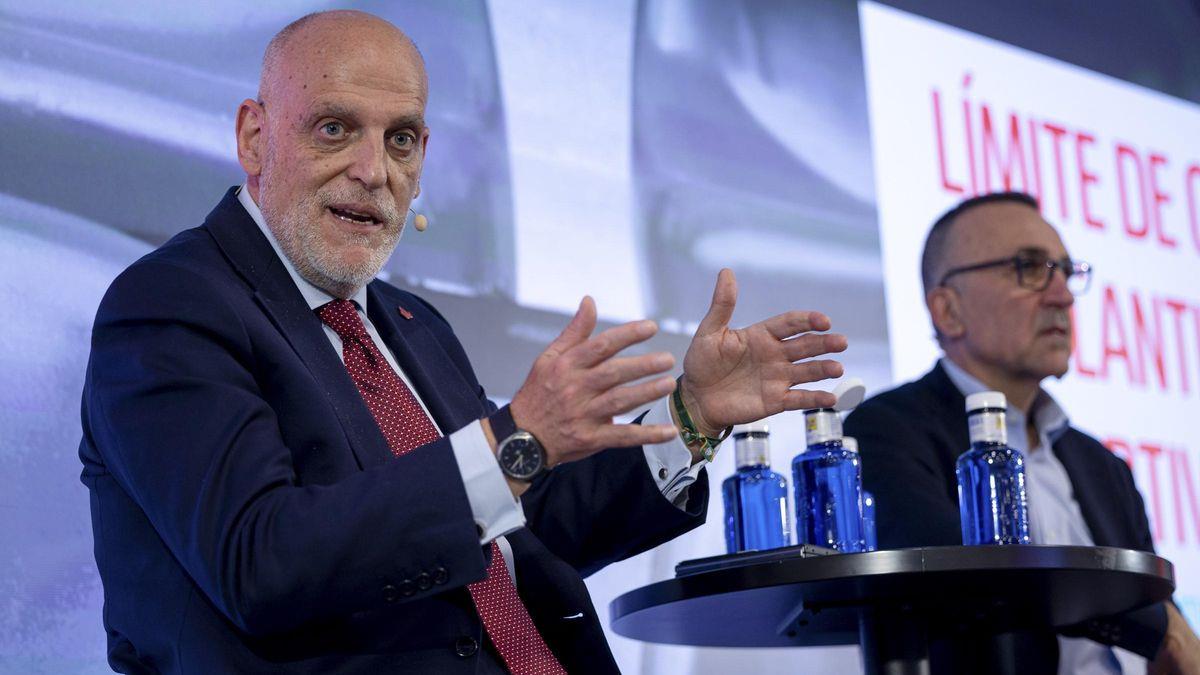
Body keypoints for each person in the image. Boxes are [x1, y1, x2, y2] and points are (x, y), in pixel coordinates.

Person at [77, 10, 847, 674]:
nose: (373, 171)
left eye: (402, 139)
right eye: (335, 128)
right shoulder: (171, 304)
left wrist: (689, 417)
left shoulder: (412, 324)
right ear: (255, 136)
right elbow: (260, 560)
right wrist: (513, 442)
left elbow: (523, 522)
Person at [844, 191, 1200, 675]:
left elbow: (1173, 636)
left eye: (1065, 271)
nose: (1062, 296)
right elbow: (974, 582)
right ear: (949, 310)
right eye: (1029, 269)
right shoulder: (886, 431)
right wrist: (1154, 627)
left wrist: (1165, 632)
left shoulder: (1103, 466)